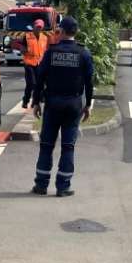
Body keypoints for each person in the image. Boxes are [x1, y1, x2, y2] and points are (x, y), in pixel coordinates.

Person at [31, 16, 93, 197]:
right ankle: (63, 187)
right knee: (68, 147)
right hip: (74, 105)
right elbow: (89, 83)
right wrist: (88, 104)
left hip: (53, 104)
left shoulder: (51, 52)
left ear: (62, 31)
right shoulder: (84, 54)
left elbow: (39, 78)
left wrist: (36, 102)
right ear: (76, 32)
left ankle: (41, 185)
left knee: (46, 145)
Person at [21, 18, 48, 108]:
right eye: (37, 27)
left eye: (40, 27)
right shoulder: (27, 36)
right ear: (33, 27)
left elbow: (45, 51)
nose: (38, 29)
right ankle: (26, 100)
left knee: (40, 83)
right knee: (31, 83)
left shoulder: (44, 38)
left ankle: (36, 101)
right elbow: (22, 48)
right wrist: (24, 50)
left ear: (42, 28)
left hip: (39, 63)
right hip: (29, 63)